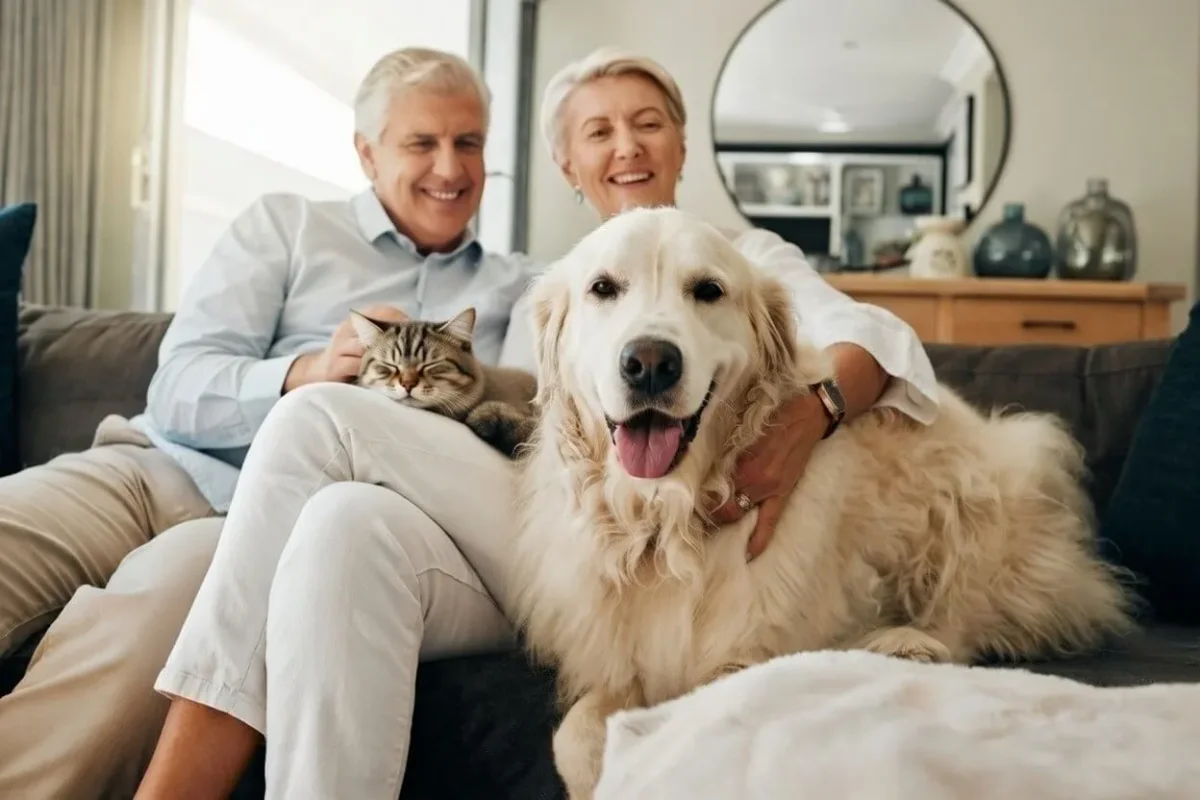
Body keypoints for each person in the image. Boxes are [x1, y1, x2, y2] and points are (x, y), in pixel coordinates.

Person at [134, 46, 940, 799]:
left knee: (329, 471)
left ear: (682, 147)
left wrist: (813, 413)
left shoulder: (746, 258)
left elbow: (880, 337)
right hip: (547, 535)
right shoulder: (542, 286)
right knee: (338, 498)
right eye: (600, 131)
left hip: (647, 543)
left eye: (647, 123)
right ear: (568, 165)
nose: (626, 146)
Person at [0, 47, 534, 799]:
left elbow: (490, 454)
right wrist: (306, 372)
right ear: (367, 152)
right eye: (422, 143)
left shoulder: (514, 290)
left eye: (469, 142)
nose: (450, 167)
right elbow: (178, 383)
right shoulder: (287, 226)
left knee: (136, 643)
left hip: (248, 531)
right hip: (147, 467)